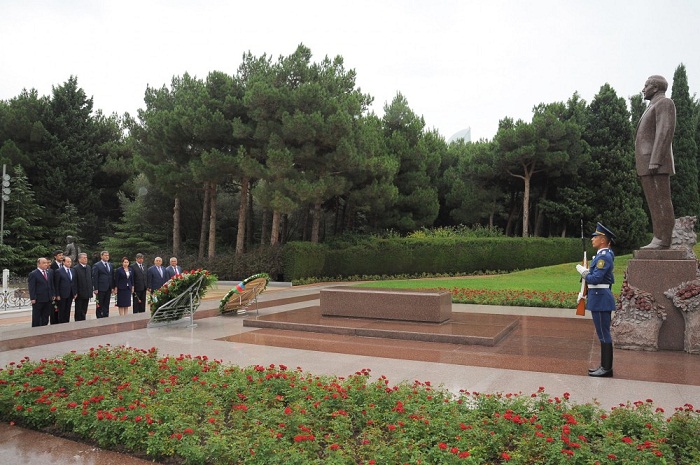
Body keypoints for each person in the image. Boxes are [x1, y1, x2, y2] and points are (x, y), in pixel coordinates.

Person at [635, 75, 676, 249]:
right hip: (647, 161)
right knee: (654, 202)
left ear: (656, 87)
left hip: (655, 162)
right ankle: (658, 237)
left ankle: (663, 239)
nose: (643, 89)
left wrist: (656, 160)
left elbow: (664, 131)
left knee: (661, 201)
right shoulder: (652, 106)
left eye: (646, 86)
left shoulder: (664, 103)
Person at [576, 222, 616, 377]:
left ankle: (606, 368)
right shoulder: (601, 255)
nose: (592, 239)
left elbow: (595, 278)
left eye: (596, 237)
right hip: (598, 298)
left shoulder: (604, 256)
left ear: (603, 240)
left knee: (603, 334)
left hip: (601, 300)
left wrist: (583, 272)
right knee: (602, 333)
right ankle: (604, 366)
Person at [28, 258, 55, 327]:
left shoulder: (49, 273)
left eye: (46, 263)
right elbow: (32, 287)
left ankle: (44, 328)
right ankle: (36, 330)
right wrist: (33, 298)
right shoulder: (33, 274)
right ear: (38, 264)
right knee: (37, 316)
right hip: (38, 299)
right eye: (44, 263)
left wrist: (53, 294)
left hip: (48, 298)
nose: (46, 264)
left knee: (45, 316)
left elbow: (51, 284)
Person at [53, 256, 76, 323]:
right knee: (62, 310)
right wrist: (57, 294)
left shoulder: (72, 270)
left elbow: (74, 282)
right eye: (68, 262)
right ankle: (61, 323)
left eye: (70, 262)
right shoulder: (59, 271)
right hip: (62, 294)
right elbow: (56, 284)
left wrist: (74, 292)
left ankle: (67, 322)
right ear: (63, 262)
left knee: (68, 310)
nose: (69, 263)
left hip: (70, 293)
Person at [92, 250, 114, 318]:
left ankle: (106, 315)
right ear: (101, 256)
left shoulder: (110, 265)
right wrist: (95, 288)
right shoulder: (97, 265)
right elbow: (95, 277)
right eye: (105, 255)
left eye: (108, 255)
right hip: (101, 288)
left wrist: (112, 287)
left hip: (108, 287)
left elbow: (112, 276)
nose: (107, 257)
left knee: (106, 304)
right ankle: (99, 316)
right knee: (100, 304)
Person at [73, 252, 93, 321]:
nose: (86, 259)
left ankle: (83, 321)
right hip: (80, 293)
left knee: (84, 309)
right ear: (79, 259)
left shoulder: (88, 267)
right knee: (78, 309)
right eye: (84, 258)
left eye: (86, 258)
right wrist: (75, 292)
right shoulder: (76, 268)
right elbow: (74, 282)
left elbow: (90, 279)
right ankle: (78, 322)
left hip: (87, 292)